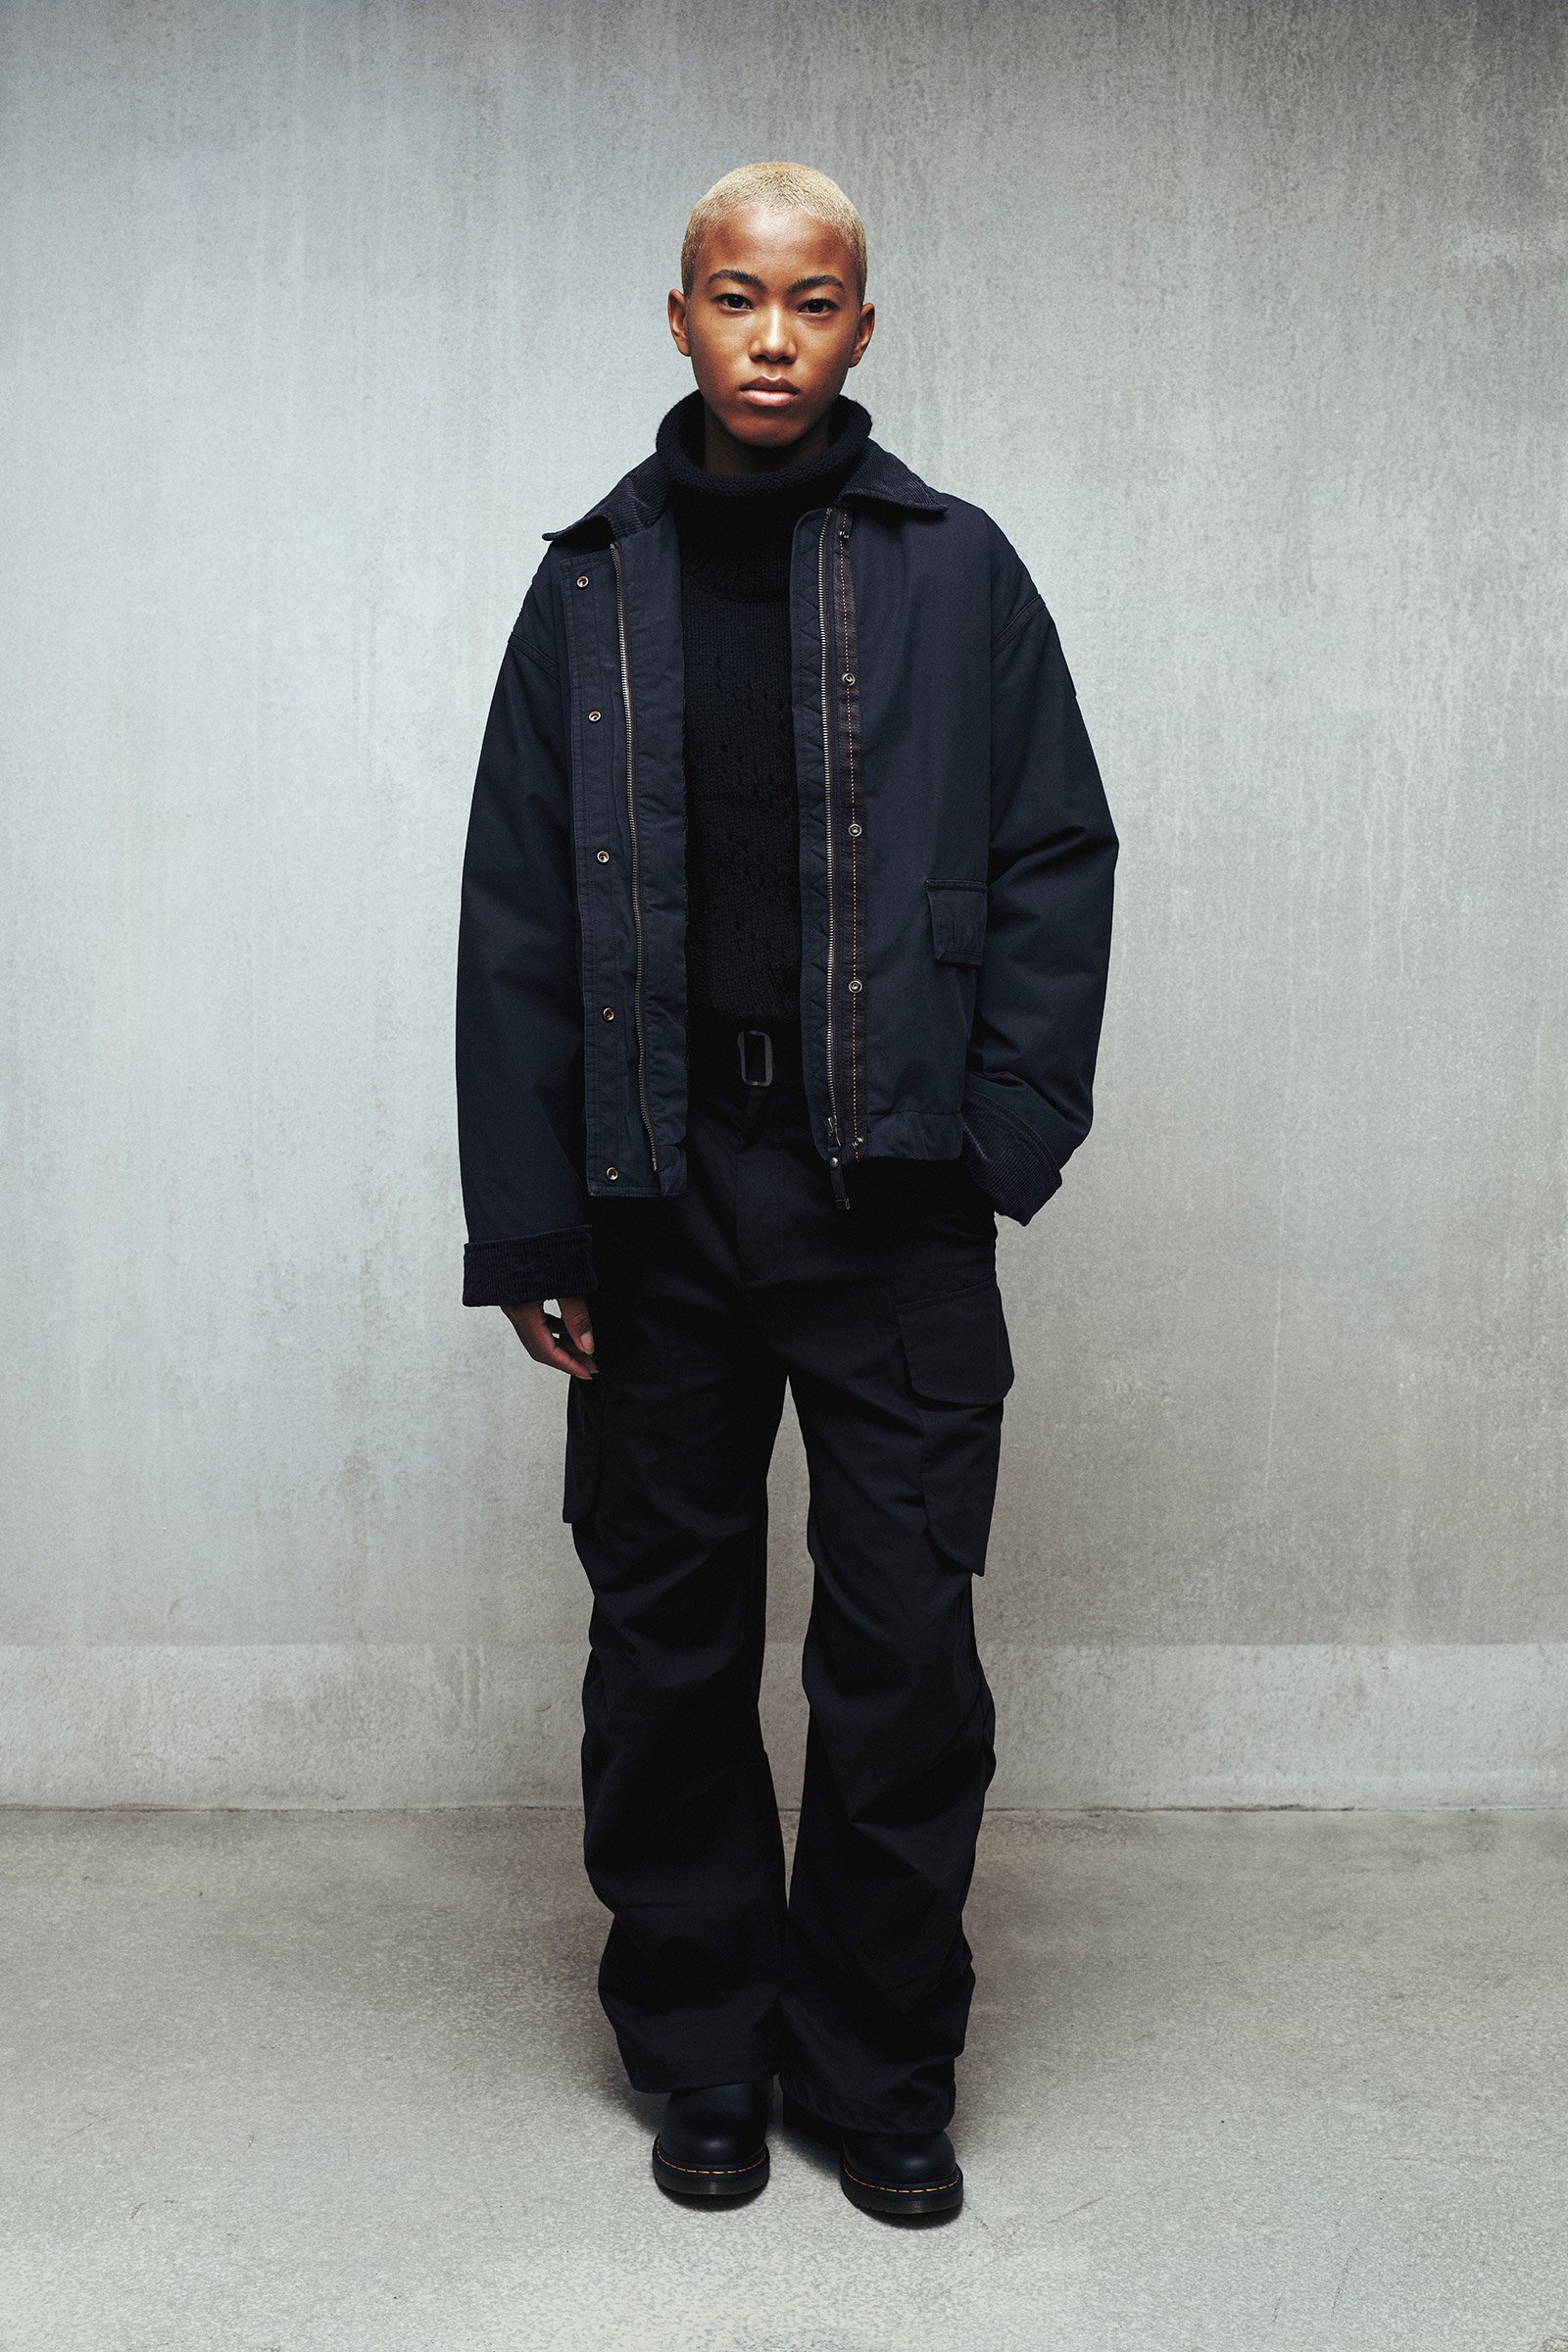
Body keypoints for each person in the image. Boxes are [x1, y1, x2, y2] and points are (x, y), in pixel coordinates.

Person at [456, 161, 1117, 2219]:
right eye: (733, 298)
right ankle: (705, 2055)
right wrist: (534, 1224)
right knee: (665, 1651)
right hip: (654, 1201)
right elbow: (514, 920)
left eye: (810, 301)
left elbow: (1054, 855)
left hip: (888, 1200)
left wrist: (1000, 1141)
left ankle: (876, 2065)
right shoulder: (587, 585)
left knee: (902, 1655)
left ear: (860, 326)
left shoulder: (956, 571)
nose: (769, 336)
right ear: (677, 318)